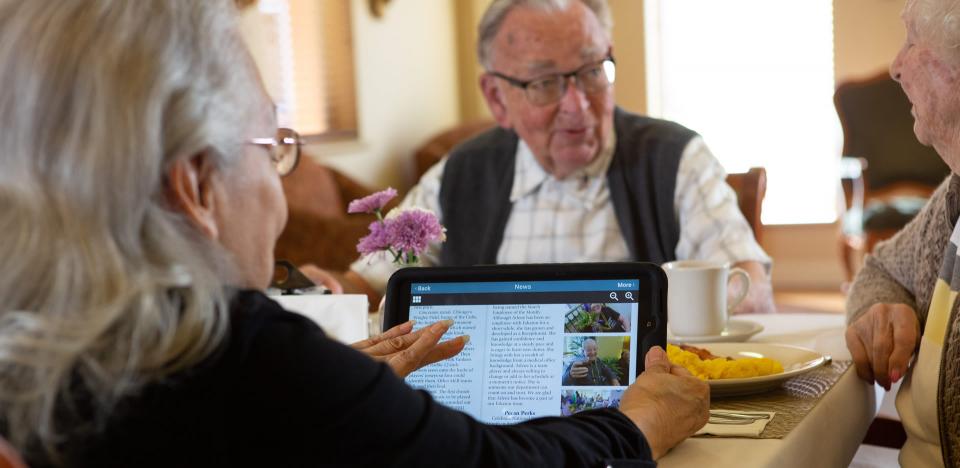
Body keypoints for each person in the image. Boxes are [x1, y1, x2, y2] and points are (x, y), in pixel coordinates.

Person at [0, 1, 709, 466]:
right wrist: (634, 422)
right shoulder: (238, 355)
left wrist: (350, 392)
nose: (278, 198)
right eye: (271, 147)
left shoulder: (36, 355)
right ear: (194, 184)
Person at [315, 0, 775, 315]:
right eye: (545, 83)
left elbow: (744, 285)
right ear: (496, 98)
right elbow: (371, 283)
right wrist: (329, 292)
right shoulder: (461, 173)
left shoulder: (674, 158)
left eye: (593, 71)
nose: (577, 105)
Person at [844, 0, 960, 465]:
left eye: (912, 41)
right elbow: (881, 266)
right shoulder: (954, 197)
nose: (894, 67)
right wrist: (884, 310)